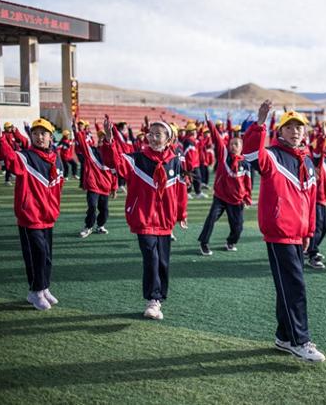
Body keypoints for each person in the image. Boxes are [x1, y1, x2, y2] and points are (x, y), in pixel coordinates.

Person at [243, 100, 325, 363]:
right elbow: (251, 155)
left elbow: (311, 201)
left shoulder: (308, 161)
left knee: (287, 286)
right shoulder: (272, 155)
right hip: (279, 231)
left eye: (299, 127)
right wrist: (259, 123)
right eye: (289, 127)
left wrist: (309, 232)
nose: (295, 132)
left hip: (297, 234)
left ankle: (284, 337)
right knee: (295, 286)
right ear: (280, 131)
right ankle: (300, 341)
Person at [101, 117, 188, 320]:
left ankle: (159, 298)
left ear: (168, 139)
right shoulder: (136, 159)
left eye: (159, 134)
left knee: (163, 262)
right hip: (143, 219)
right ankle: (153, 299)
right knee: (151, 258)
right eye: (151, 134)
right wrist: (109, 139)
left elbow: (180, 189)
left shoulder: (174, 161)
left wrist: (181, 213)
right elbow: (113, 161)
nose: (153, 138)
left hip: (165, 221)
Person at [0, 112, 64, 310]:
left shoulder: (56, 159)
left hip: (48, 217)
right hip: (30, 216)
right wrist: (0, 137)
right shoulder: (25, 157)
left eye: (44, 133)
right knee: (36, 254)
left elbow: (57, 188)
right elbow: (4, 156)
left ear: (51, 137)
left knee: (47, 255)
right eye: (35, 133)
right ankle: (35, 291)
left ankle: (44, 287)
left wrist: (54, 210)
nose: (39, 137)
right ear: (31, 136)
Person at [198, 113, 252, 256]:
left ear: (241, 147)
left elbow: (248, 183)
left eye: (237, 144)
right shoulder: (224, 155)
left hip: (237, 200)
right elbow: (216, 136)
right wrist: (209, 121)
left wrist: (247, 197)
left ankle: (231, 241)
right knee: (211, 219)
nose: (233, 146)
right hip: (221, 197)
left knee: (238, 227)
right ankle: (204, 243)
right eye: (232, 144)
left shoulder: (245, 163)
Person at [74, 119, 118, 238]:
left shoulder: (111, 155)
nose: (101, 139)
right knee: (92, 207)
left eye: (104, 138)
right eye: (100, 137)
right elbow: (82, 141)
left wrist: (114, 188)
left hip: (105, 187)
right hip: (93, 187)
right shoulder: (90, 152)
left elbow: (114, 173)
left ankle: (100, 226)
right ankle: (88, 227)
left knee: (104, 210)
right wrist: (79, 130)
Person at [306, 123, 326, 269]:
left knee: (324, 229)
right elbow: (317, 149)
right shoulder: (316, 160)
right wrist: (322, 137)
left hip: (323, 200)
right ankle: (312, 254)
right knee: (317, 228)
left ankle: (309, 249)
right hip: (316, 199)